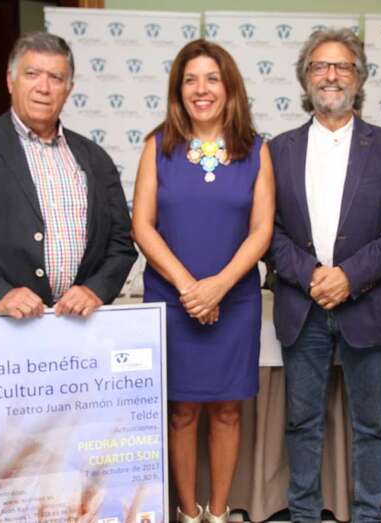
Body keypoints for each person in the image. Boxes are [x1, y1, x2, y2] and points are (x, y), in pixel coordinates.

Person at [267, 28, 381, 522]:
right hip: (302, 305)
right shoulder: (277, 150)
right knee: (302, 422)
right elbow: (266, 231)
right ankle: (305, 514)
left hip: (369, 305)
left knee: (371, 424)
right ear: (305, 78)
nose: (331, 75)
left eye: (342, 66)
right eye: (320, 66)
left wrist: (349, 278)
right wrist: (312, 274)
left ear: (360, 77)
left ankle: (370, 514)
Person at [131, 40, 274, 523]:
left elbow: (262, 232)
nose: (201, 89)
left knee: (229, 411)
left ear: (229, 86)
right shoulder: (157, 147)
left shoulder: (256, 151)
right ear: (178, 90)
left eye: (212, 78)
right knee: (183, 412)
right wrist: (191, 288)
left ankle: (218, 512)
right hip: (172, 300)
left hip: (235, 302)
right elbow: (142, 226)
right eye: (190, 79)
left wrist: (217, 288)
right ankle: (188, 512)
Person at [0, 31, 136, 317]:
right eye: (32, 73)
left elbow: (121, 244)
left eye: (56, 78)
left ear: (69, 89)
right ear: (10, 81)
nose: (43, 87)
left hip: (79, 327)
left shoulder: (95, 158)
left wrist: (96, 289)